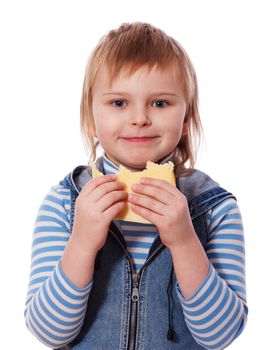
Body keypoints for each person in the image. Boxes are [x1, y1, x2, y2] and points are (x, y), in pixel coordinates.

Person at [24, 22, 248, 350]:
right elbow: (49, 332)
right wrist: (83, 241)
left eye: (159, 103)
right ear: (91, 118)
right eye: (118, 103)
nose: (139, 118)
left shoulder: (215, 207)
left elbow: (220, 335)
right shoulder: (63, 203)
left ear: (185, 119)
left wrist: (184, 240)